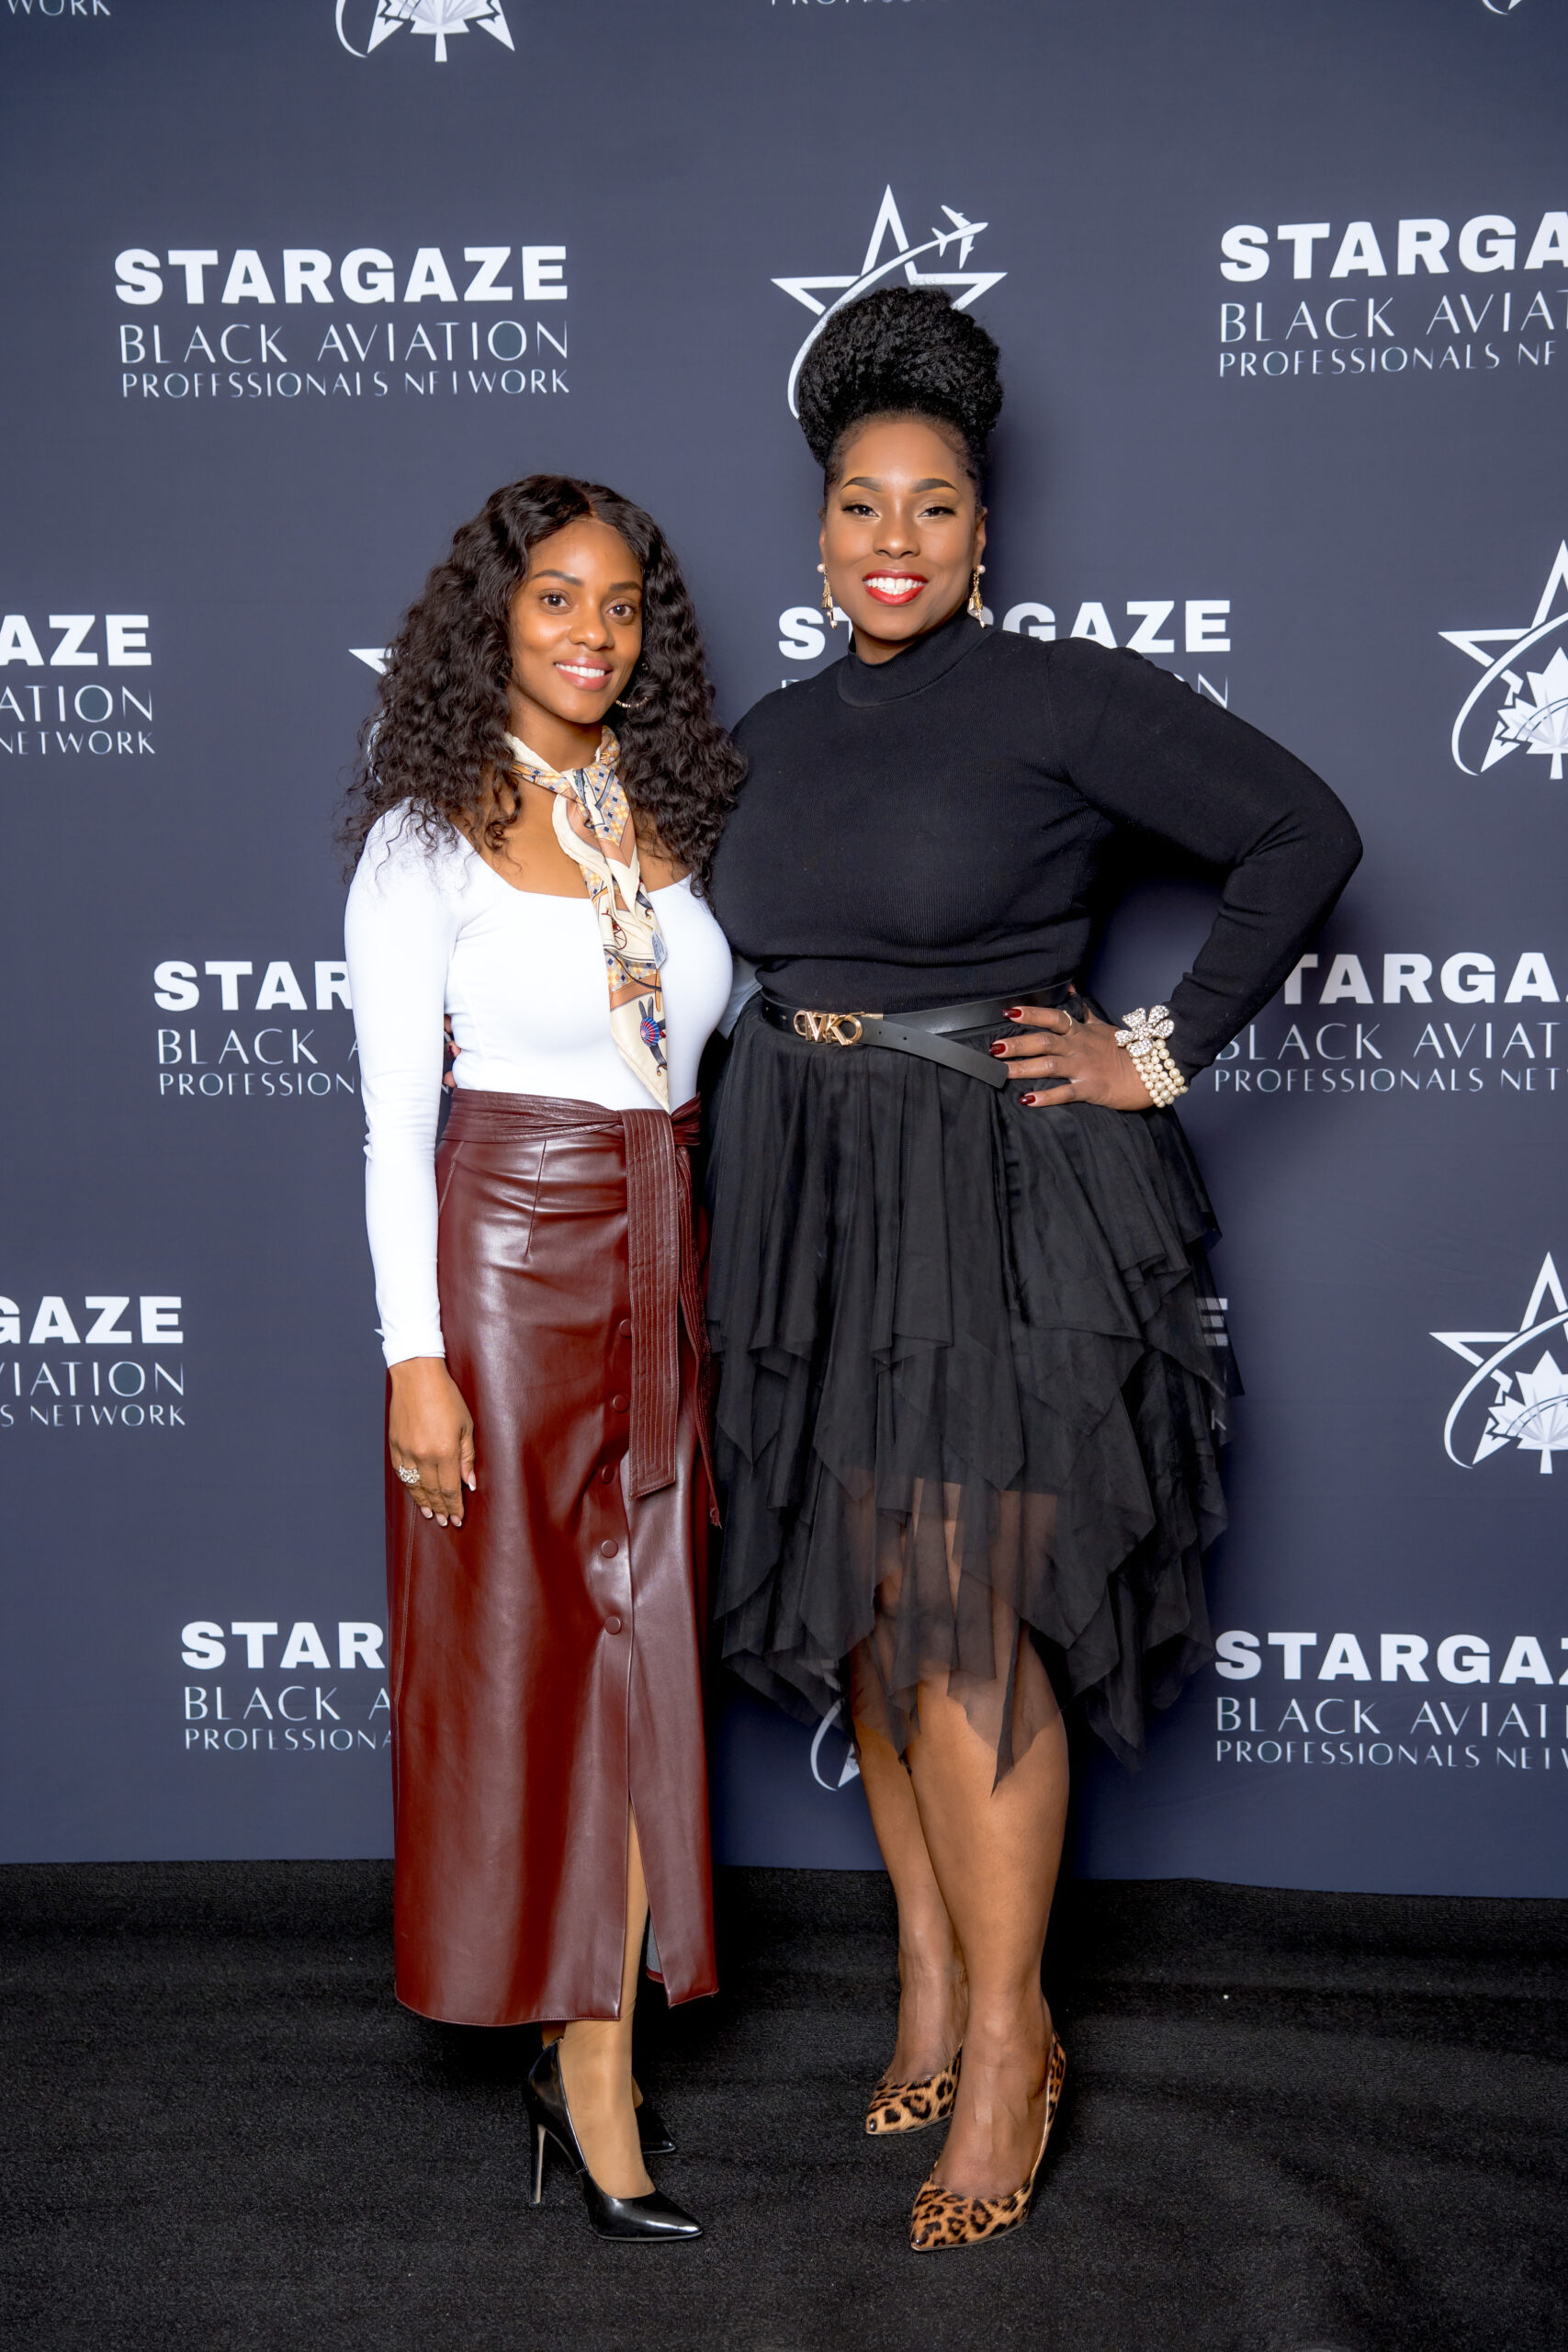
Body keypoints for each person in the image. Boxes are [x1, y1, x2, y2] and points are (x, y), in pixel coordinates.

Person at [704, 288, 1361, 2253]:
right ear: (818, 529)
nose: (893, 538)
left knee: (961, 1609)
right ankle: (927, 1969)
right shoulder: (766, 735)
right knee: (860, 1603)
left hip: (987, 1196)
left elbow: (1303, 832)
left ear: (984, 532)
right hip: (803, 1185)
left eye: (933, 505)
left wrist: (1154, 1047)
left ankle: (1010, 2038)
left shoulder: (1063, 697)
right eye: (859, 503)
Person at [343, 475, 741, 2243]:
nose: (596, 634)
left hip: (664, 1254)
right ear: (494, 615)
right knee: (537, 1672)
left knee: (650, 1662)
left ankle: (596, 2057)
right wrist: (414, 1360)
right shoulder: (423, 839)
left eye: (624, 605)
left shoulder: (670, 809)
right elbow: (393, 1129)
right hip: (505, 1267)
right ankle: (578, 2066)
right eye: (559, 598)